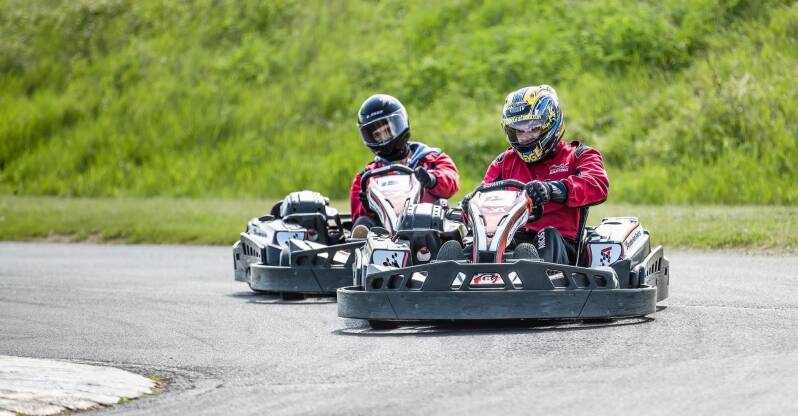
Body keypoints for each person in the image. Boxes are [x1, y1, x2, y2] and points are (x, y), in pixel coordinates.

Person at [482, 85, 609, 265]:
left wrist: (554, 190)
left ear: (550, 124)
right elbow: (484, 193)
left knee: (546, 236)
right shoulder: (505, 162)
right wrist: (470, 206)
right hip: (511, 239)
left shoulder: (579, 155)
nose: (525, 137)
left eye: (532, 128)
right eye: (519, 130)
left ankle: (538, 279)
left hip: (560, 244)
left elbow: (597, 185)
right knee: (471, 244)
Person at [351, 94, 460, 235]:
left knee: (439, 210)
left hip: (425, 226)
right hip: (384, 234)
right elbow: (356, 215)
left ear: (400, 123)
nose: (384, 138)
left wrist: (432, 180)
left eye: (388, 130)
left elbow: (452, 181)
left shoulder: (431, 159)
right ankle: (364, 250)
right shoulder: (366, 177)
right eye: (377, 135)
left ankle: (437, 248)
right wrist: (368, 206)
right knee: (363, 223)